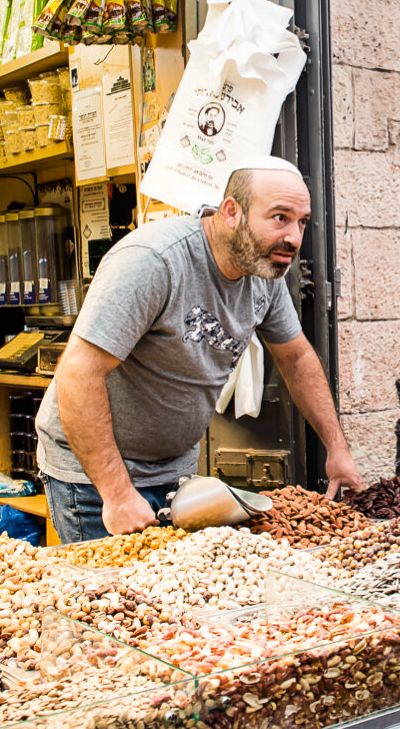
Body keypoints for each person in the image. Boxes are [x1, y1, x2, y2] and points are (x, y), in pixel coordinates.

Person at [37, 156, 363, 542]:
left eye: (302, 222)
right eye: (280, 217)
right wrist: (118, 493)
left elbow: (296, 358)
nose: (293, 237)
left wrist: (336, 447)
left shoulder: (265, 270)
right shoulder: (154, 261)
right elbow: (78, 373)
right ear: (231, 212)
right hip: (95, 479)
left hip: (174, 472)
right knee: (112, 600)